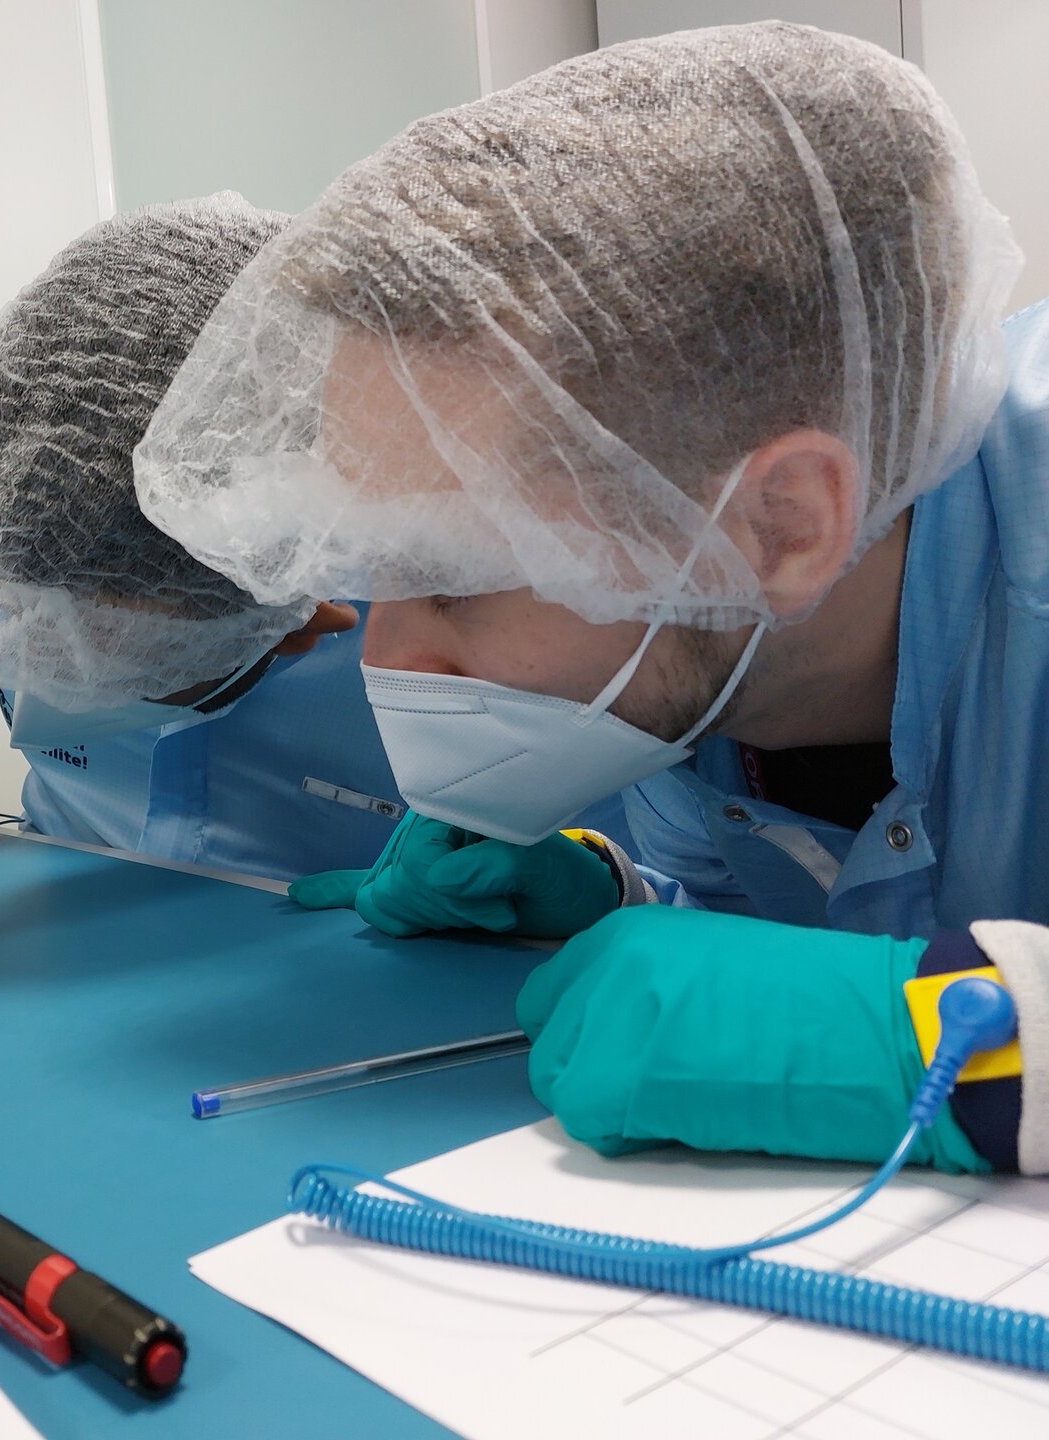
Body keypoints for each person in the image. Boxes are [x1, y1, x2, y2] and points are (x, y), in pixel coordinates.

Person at [133, 25, 1049, 1173]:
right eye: (376, 569)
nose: (389, 658)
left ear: (785, 523)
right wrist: (606, 884)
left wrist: (956, 1044)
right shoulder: (707, 641)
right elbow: (804, 918)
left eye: (457, 576)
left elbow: (883, 988)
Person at [0, 195, 468, 883]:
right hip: (69, 888)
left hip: (353, 926)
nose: (65, 684)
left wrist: (555, 853)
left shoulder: (433, 553)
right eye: (32, 643)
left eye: (145, 680)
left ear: (299, 623)